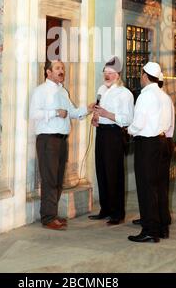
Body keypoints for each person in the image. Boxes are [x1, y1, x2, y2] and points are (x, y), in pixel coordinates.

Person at [30, 60, 94, 230]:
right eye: (57, 68)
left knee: (58, 180)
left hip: (61, 140)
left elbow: (72, 112)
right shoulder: (40, 91)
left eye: (62, 69)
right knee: (49, 179)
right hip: (47, 140)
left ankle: (53, 214)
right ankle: (48, 217)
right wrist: (55, 112)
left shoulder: (63, 91)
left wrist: (87, 109)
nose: (61, 71)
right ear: (48, 72)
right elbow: (33, 113)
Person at [127, 62, 173, 243]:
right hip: (163, 142)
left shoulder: (145, 96)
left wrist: (129, 130)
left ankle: (150, 230)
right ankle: (161, 227)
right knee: (160, 186)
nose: (140, 77)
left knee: (147, 187)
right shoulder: (164, 96)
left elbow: (138, 123)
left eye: (140, 74)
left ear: (145, 76)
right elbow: (169, 124)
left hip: (148, 145)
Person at [88, 56, 134, 225]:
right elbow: (100, 110)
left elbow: (128, 119)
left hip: (115, 135)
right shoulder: (101, 89)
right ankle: (105, 209)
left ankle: (117, 213)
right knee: (101, 170)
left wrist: (107, 114)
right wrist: (96, 118)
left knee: (114, 173)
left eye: (110, 73)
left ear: (118, 75)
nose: (107, 76)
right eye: (105, 73)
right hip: (102, 132)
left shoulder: (125, 94)